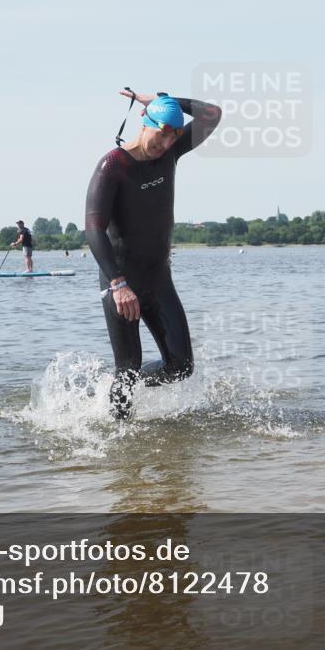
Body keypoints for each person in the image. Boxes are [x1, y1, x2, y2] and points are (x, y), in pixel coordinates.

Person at [85, 90, 222, 418]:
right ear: (144, 124)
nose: (164, 144)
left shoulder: (169, 155)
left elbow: (212, 114)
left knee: (181, 367)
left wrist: (163, 97)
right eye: (160, 136)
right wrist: (119, 285)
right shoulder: (112, 166)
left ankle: (118, 386)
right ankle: (120, 433)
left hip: (158, 279)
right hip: (122, 282)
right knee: (128, 365)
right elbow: (93, 229)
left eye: (171, 139)